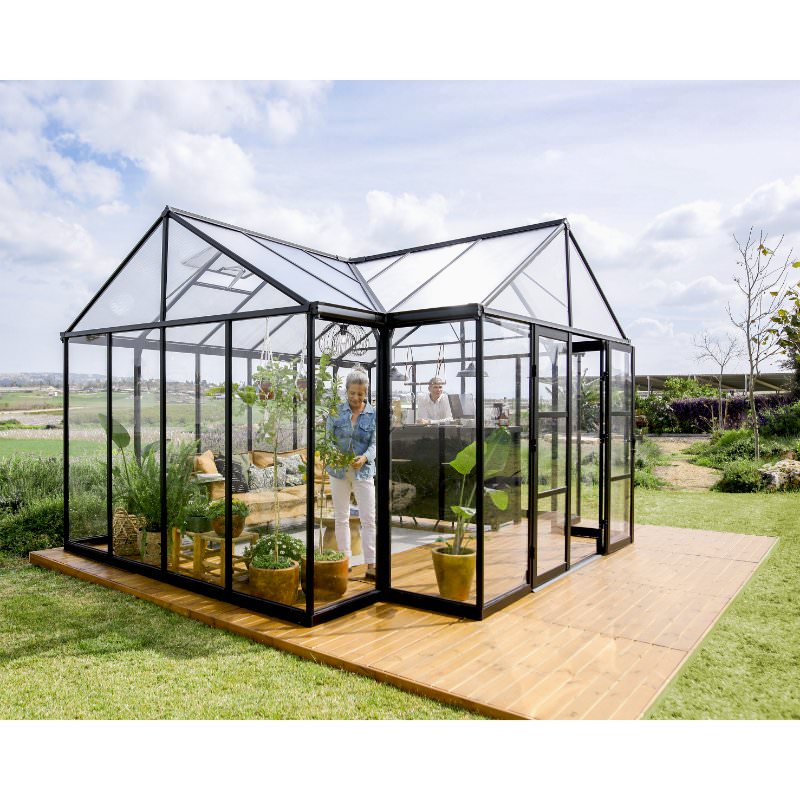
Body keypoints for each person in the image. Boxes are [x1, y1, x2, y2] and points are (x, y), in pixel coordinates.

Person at [326, 368, 377, 580]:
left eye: (360, 393)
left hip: (363, 471)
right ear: (346, 391)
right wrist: (337, 456)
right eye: (352, 393)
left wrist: (365, 458)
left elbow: (376, 443)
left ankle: (372, 564)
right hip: (338, 472)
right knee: (341, 517)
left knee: (368, 518)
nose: (356, 397)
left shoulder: (373, 414)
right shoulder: (335, 412)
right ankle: (344, 560)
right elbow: (328, 440)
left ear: (366, 393)